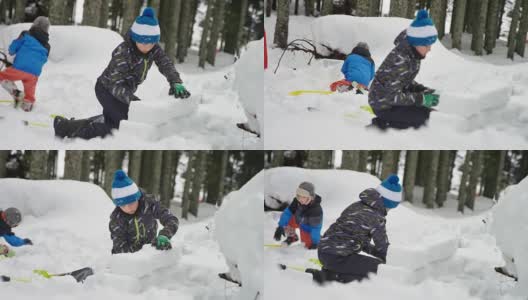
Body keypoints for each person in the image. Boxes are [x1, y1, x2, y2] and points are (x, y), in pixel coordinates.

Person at [54, 7, 191, 140]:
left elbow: (165, 63)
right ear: (135, 37)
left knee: (120, 119)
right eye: (142, 41)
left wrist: (175, 82)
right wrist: (134, 102)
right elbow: (115, 85)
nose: (146, 46)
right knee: (118, 127)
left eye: (151, 42)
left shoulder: (153, 49)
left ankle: (67, 126)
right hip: (107, 90)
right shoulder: (124, 52)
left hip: (124, 92)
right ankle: (73, 134)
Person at [312, 174, 402, 284]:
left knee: (359, 264)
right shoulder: (377, 217)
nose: (388, 211)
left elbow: (356, 238)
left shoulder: (355, 206)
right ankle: (332, 277)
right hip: (339, 257)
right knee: (378, 270)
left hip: (323, 252)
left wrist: (372, 251)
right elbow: (382, 245)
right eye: (390, 208)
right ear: (387, 204)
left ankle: (331, 271)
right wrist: (385, 260)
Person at [368, 9, 440, 130]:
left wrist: (422, 90)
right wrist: (421, 98)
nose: (429, 49)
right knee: (421, 118)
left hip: (392, 99)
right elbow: (391, 96)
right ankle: (381, 125)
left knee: (426, 110)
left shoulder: (413, 54)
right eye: (427, 45)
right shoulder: (400, 60)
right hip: (382, 104)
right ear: (417, 43)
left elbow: (404, 80)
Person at [109, 170, 179, 254]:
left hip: (152, 252)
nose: (128, 208)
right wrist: (142, 252)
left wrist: (165, 234)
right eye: (123, 205)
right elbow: (119, 249)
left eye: (131, 203)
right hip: (130, 259)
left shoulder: (149, 204)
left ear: (137, 197)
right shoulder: (116, 219)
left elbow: (171, 219)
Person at [0, 16, 50, 112]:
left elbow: (12, 50)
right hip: (34, 74)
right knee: (29, 96)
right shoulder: (47, 46)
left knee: (2, 76)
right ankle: (27, 106)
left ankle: (17, 94)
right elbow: (43, 60)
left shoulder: (26, 34)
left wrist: (14, 57)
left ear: (35, 24)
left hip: (20, 68)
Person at [273, 182, 323, 249]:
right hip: (298, 219)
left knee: (307, 245)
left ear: (310, 197)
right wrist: (280, 226)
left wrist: (315, 243)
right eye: (299, 196)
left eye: (304, 197)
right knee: (286, 216)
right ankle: (292, 237)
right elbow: (288, 213)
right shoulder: (297, 201)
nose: (300, 199)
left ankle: (321, 240)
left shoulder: (316, 210)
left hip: (307, 227)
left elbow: (315, 228)